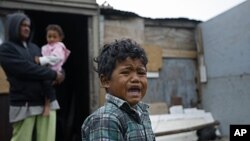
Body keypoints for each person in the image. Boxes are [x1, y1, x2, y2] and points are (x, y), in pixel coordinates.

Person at [0, 12, 64, 141]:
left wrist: (62, 74)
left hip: (46, 100)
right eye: (22, 25)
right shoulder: (6, 49)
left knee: (47, 139)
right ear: (13, 26)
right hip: (24, 103)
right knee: (21, 138)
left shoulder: (35, 48)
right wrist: (53, 75)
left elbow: (50, 65)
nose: (26, 28)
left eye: (28, 25)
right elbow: (27, 69)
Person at [81, 38, 156, 141]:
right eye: (126, 72)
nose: (135, 79)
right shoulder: (106, 119)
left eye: (141, 73)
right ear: (105, 81)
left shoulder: (142, 113)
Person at [34, 24, 70, 116]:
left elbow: (56, 58)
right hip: (47, 71)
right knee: (42, 85)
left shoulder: (59, 46)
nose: (52, 39)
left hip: (56, 71)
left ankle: (47, 104)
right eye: (49, 36)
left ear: (60, 38)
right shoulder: (44, 47)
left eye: (55, 37)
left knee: (47, 85)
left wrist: (41, 60)